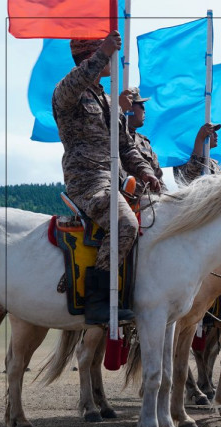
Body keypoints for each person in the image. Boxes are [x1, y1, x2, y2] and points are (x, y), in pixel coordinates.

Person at [53, 31, 161, 325]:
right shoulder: (66, 92)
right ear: (90, 56)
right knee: (125, 224)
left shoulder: (109, 101)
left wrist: (146, 171)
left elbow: (126, 146)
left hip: (118, 182)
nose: (112, 61)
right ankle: (97, 302)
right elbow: (78, 79)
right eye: (106, 57)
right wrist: (103, 51)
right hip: (87, 182)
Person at [120, 87, 167, 195]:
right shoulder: (110, 136)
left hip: (147, 205)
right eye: (141, 105)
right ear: (129, 108)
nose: (144, 110)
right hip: (121, 201)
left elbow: (158, 177)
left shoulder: (144, 143)